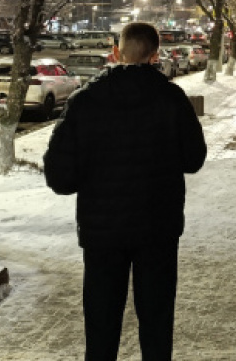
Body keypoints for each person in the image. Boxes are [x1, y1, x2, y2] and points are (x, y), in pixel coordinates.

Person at [44, 22, 207, 361]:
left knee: (101, 325)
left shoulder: (85, 101)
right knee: (157, 322)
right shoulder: (171, 98)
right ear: (155, 55)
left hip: (103, 234)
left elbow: (60, 176)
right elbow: (194, 159)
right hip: (157, 230)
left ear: (116, 52)